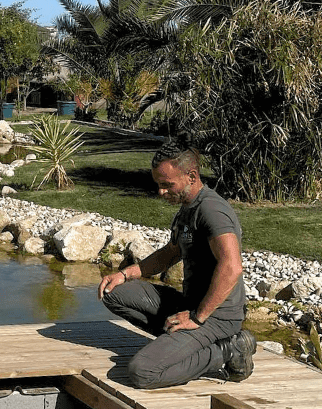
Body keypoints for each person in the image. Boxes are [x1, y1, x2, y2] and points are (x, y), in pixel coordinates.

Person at [97, 137, 256, 389]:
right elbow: (170, 253)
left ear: (191, 176)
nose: (161, 192)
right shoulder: (187, 207)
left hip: (216, 317)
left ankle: (228, 348)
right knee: (113, 292)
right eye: (159, 185)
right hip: (189, 303)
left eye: (167, 185)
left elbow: (232, 266)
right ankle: (179, 344)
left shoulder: (212, 210)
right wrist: (125, 274)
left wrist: (198, 317)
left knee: (142, 372)